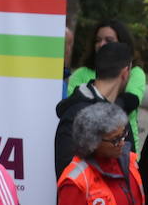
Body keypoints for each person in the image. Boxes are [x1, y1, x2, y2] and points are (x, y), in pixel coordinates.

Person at [54, 41, 137, 183]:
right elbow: (68, 178)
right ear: (125, 72)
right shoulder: (77, 114)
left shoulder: (117, 112)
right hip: (89, 203)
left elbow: (130, 166)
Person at [66, 19, 146, 152]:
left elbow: (131, 101)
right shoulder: (81, 73)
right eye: (97, 40)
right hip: (87, 151)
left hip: (124, 152)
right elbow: (73, 108)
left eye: (109, 40)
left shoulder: (135, 72)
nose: (101, 44)